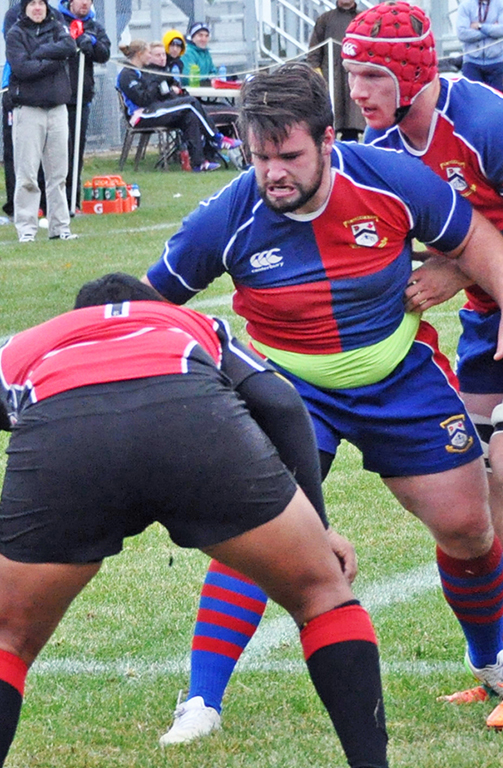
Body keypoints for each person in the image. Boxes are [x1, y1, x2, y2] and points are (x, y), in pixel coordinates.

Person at [144, 62, 503, 744]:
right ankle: (200, 701)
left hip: (398, 376)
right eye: (259, 157)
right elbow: (150, 302)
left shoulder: (389, 179)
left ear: (326, 142)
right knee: (260, 529)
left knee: (467, 526)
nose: (273, 173)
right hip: (290, 389)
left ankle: (490, 657)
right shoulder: (228, 214)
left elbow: (476, 239)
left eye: (289, 156)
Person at [0, 272, 388, 768]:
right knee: (321, 594)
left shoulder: (25, 344)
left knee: (8, 640)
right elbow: (280, 401)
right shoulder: (191, 323)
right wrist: (319, 526)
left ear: (76, 318)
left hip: (70, 443)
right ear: (153, 306)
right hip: (192, 422)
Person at [342, 0, 503, 729]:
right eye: (352, 74)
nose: (357, 91)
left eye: (373, 75)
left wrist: (456, 268)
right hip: (485, 317)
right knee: (473, 489)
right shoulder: (382, 140)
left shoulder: (486, 123)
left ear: (413, 73)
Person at [5, 0, 78, 242]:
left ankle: (60, 228)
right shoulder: (15, 33)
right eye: (32, 3)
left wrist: (39, 53)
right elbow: (23, 68)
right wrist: (53, 61)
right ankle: (27, 230)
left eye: (41, 3)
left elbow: (69, 46)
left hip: (57, 109)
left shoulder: (57, 26)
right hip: (28, 110)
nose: (37, 8)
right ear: (24, 8)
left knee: (58, 174)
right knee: (26, 174)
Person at [117, 39, 222, 172]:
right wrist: (157, 81)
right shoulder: (127, 74)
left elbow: (156, 92)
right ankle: (215, 137)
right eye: (149, 53)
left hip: (153, 109)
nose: (150, 56)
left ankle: (199, 162)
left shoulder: (141, 71)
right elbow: (143, 100)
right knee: (190, 102)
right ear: (139, 54)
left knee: (190, 115)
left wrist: (168, 85)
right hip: (141, 115)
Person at [58, 0, 110, 213]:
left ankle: (73, 201)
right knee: (54, 151)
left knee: (75, 151)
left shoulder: (94, 26)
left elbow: (104, 54)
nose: (85, 3)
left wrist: (93, 44)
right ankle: (47, 201)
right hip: (55, 97)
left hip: (80, 98)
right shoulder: (57, 22)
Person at [307, 0, 364, 141]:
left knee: (353, 123)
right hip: (331, 78)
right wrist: (318, 76)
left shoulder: (364, 18)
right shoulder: (325, 19)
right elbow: (314, 53)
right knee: (330, 119)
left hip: (357, 77)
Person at [456, 0, 503, 92]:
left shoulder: (502, 3)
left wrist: (480, 27)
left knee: (494, 99)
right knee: (472, 98)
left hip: (496, 63)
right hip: (471, 63)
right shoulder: (465, 5)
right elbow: (462, 33)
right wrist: (491, 31)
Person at [181, 21, 216, 86]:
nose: (204, 39)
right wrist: (207, 81)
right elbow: (188, 78)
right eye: (200, 35)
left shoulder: (206, 53)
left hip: (204, 89)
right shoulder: (187, 53)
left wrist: (212, 78)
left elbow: (213, 71)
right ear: (193, 37)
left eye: (206, 36)